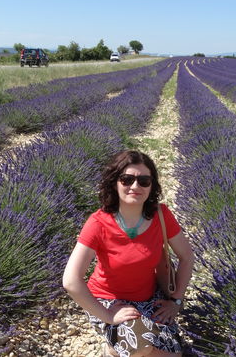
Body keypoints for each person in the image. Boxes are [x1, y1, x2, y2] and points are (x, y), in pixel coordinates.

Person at [63, 150, 195, 357]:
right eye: (127, 179)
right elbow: (71, 281)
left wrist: (176, 301)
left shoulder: (162, 216)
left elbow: (187, 257)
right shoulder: (98, 223)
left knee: (170, 355)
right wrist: (107, 315)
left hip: (150, 298)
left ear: (152, 186)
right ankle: (110, 349)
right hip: (110, 301)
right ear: (114, 183)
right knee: (138, 348)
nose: (135, 186)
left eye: (144, 181)